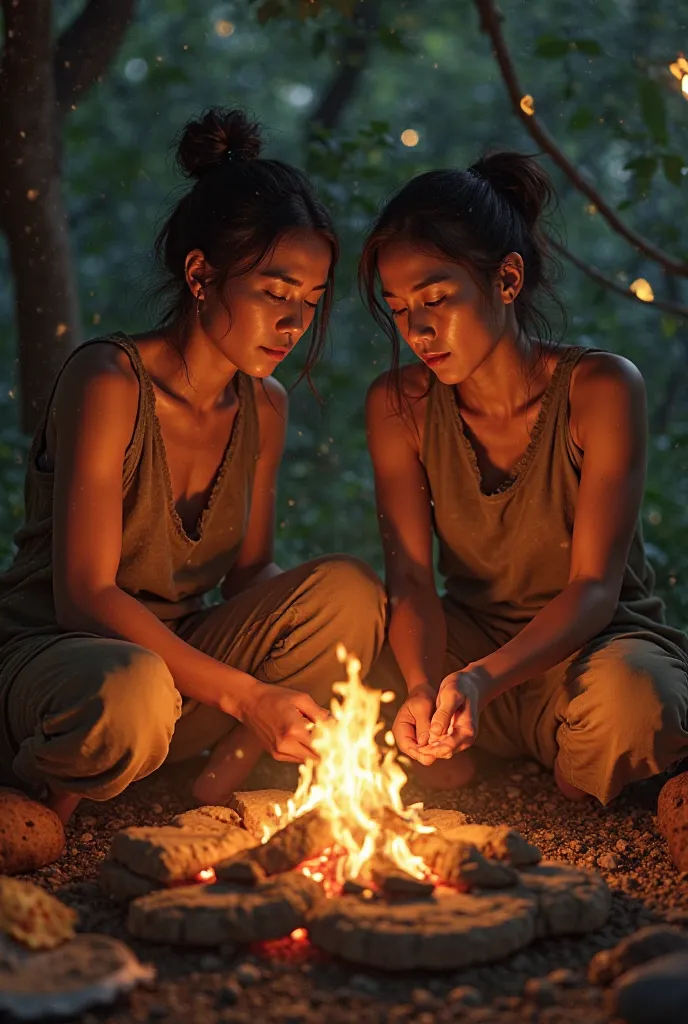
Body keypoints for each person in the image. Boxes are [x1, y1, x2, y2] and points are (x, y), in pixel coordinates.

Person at [0, 108, 386, 826]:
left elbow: (250, 575)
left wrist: (314, 642)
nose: (294, 323)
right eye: (275, 293)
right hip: (67, 664)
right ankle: (47, 797)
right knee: (134, 691)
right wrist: (246, 693)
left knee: (353, 593)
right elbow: (84, 595)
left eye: (310, 300)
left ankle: (215, 781)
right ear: (202, 274)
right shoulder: (109, 380)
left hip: (181, 669)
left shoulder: (265, 407)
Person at [360, 151, 688, 805]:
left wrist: (483, 682)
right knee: (342, 665)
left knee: (637, 703)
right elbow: (413, 582)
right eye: (398, 308)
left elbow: (594, 589)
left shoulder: (599, 388)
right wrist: (427, 686)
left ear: (507, 279)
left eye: (436, 297)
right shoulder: (398, 405)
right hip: (466, 647)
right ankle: (498, 747)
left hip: (587, 648)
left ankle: (566, 754)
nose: (417, 327)